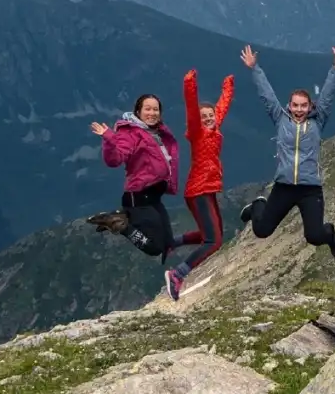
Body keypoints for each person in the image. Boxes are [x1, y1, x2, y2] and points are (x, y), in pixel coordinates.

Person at [237, 45, 335, 258]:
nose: (298, 110)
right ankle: (259, 204)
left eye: (303, 106)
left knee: (314, 236)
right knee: (261, 230)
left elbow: (328, 95)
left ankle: (330, 233)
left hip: (310, 189)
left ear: (310, 107)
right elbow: (267, 95)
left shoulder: (318, 120)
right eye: (295, 105)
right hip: (284, 186)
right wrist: (254, 68)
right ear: (289, 106)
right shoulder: (280, 118)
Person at [86, 94, 182, 275]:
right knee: (154, 247)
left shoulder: (156, 132)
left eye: (156, 109)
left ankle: (176, 276)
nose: (152, 113)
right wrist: (109, 139)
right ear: (138, 111)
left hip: (153, 197)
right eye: (148, 109)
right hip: (138, 198)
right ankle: (120, 224)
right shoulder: (130, 132)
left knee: (168, 242)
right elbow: (115, 159)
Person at [166, 67, 235, 301]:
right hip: (199, 190)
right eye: (204, 116)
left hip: (207, 189)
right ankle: (178, 274)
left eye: (210, 115)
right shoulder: (197, 132)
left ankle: (173, 242)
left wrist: (228, 84)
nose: (208, 118)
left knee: (214, 235)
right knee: (213, 241)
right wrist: (190, 83)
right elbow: (191, 108)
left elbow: (223, 105)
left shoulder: (215, 128)